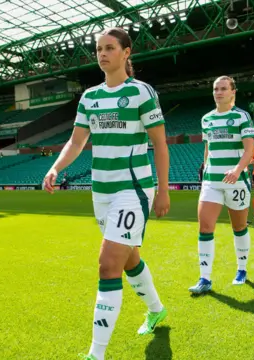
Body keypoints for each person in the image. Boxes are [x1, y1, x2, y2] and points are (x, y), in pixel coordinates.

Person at [42, 27, 170, 360]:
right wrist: (56, 168)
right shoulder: (90, 97)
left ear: (126, 53)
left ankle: (95, 354)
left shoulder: (142, 92)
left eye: (110, 47)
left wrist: (163, 190)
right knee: (128, 259)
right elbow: (77, 141)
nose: (102, 54)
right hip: (102, 192)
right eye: (98, 48)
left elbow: (159, 143)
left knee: (107, 265)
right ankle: (156, 309)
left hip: (133, 189)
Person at [188, 76, 254, 294]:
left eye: (223, 88)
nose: (219, 92)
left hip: (236, 182)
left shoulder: (241, 117)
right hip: (212, 181)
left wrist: (237, 170)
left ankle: (242, 269)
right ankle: (204, 278)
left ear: (232, 92)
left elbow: (249, 151)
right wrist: (205, 168)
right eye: (216, 89)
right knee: (205, 227)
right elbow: (208, 148)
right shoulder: (206, 119)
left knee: (239, 227)